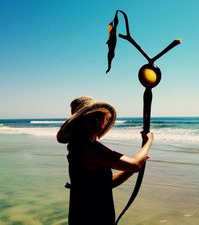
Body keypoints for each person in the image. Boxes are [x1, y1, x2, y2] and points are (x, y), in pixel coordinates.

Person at [57, 96, 153, 225]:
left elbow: (107, 183)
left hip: (84, 216)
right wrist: (149, 141)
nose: (98, 120)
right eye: (92, 117)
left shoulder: (79, 146)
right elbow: (134, 164)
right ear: (79, 123)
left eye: (99, 116)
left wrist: (134, 167)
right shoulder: (89, 148)